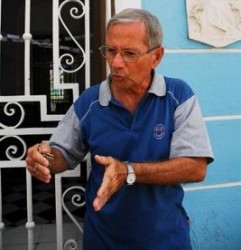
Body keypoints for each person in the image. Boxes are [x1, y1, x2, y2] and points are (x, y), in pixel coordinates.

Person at [25, 8, 214, 250]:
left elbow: (196, 167)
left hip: (165, 239)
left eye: (129, 54)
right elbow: (63, 153)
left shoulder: (178, 96)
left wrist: (128, 171)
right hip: (103, 240)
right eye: (111, 51)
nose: (115, 63)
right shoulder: (90, 101)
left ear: (156, 56)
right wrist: (43, 156)